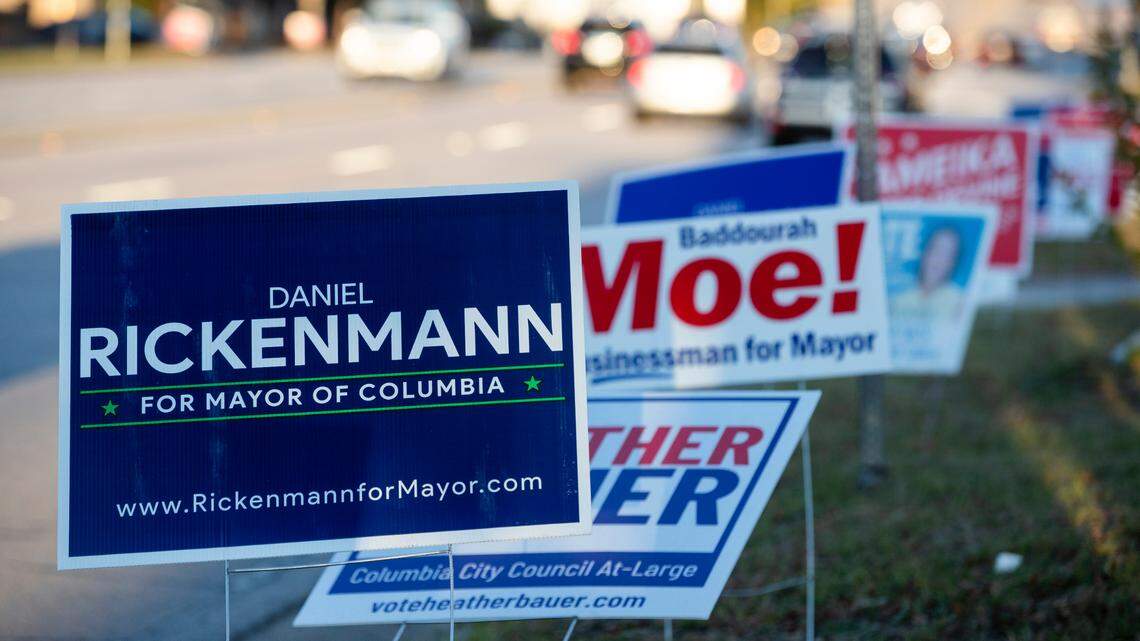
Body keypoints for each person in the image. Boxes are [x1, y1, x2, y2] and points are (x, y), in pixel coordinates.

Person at [890, 226, 965, 318]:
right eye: (936, 249)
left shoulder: (960, 303)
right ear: (924, 253)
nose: (939, 259)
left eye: (947, 254)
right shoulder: (898, 300)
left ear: (953, 263)